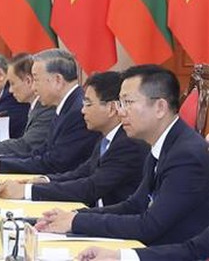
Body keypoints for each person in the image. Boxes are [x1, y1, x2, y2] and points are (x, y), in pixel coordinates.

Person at [36, 65, 209, 246]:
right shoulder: (162, 143)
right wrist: (75, 216)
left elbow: (149, 226)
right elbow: (134, 205)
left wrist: (76, 222)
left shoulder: (186, 156)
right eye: (120, 103)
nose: (120, 111)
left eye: (128, 102)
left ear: (160, 107)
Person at [0, 71, 148, 207]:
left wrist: (28, 191)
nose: (83, 111)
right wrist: (43, 181)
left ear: (111, 108)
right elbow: (81, 173)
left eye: (88, 104)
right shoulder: (107, 138)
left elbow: (90, 187)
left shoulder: (128, 144)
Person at [0, 48, 99, 175]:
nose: (34, 87)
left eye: (36, 80)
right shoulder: (65, 105)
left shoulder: (76, 111)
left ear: (57, 80)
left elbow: (55, 163)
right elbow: (41, 152)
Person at [77, 135, 209, 261]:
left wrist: (78, 220)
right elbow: (194, 249)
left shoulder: (185, 155)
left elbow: (149, 225)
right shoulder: (158, 151)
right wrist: (118, 256)